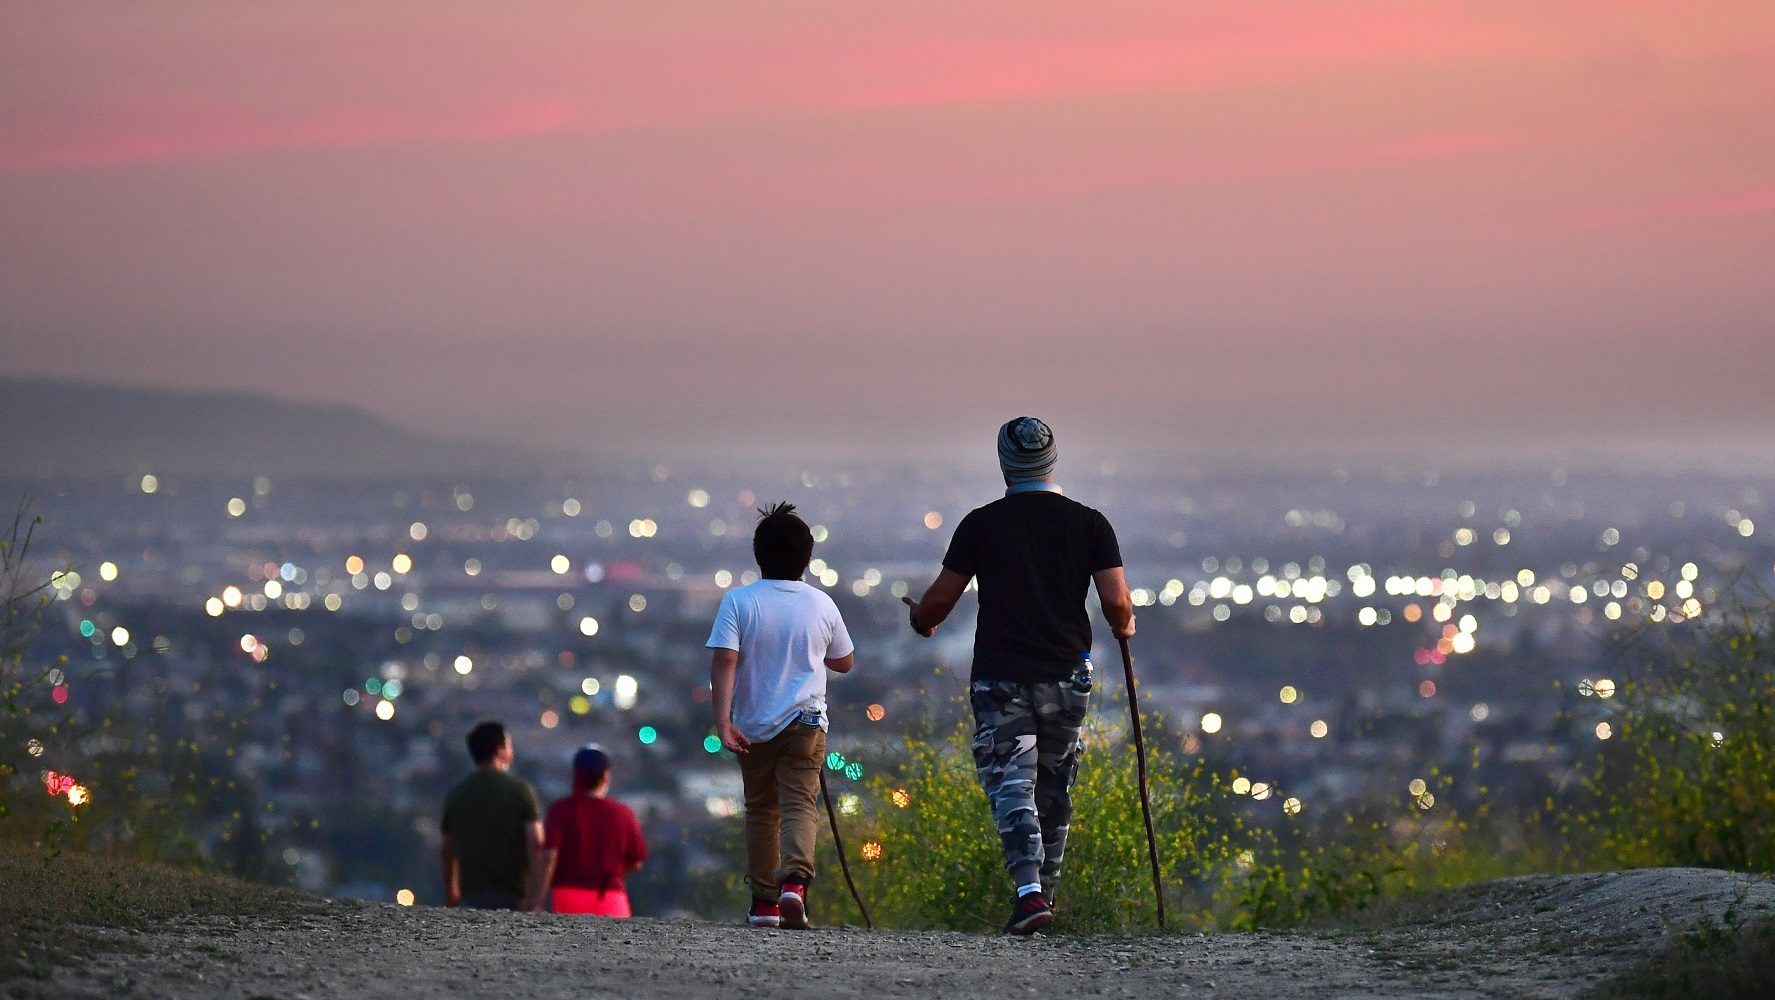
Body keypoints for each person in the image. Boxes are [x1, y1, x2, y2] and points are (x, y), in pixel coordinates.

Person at [902, 416, 1135, 935]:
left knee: (1012, 780)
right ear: (1052, 461)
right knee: (1054, 786)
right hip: (1067, 676)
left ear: (1004, 463)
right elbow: (1116, 600)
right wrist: (1126, 625)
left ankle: (1030, 892)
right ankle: (1042, 898)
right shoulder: (1089, 523)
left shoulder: (983, 524)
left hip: (1001, 675)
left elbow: (939, 602)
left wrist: (920, 619)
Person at [707, 501, 855, 929]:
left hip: (752, 727)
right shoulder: (821, 604)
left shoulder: (739, 601)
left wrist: (722, 722)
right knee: (799, 804)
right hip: (806, 725)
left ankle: (765, 904)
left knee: (760, 809)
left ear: (758, 554)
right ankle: (794, 883)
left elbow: (724, 662)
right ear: (807, 558)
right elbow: (844, 661)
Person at [529, 745, 648, 917]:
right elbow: (636, 862)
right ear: (605, 775)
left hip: (567, 895)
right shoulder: (623, 814)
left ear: (575, 775)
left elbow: (550, 857)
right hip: (609, 897)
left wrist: (537, 900)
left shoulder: (561, 810)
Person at [440, 720, 545, 911]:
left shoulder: (458, 794)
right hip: (514, 895)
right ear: (500, 750)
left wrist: (452, 891)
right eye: (509, 745)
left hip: (471, 895)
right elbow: (536, 844)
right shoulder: (521, 791)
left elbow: (447, 848)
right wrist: (537, 896)